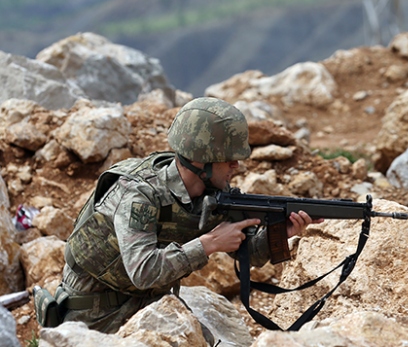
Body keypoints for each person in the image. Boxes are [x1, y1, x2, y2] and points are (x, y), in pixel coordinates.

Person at [54, 97, 320, 336]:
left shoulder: (214, 193)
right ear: (202, 161)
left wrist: (283, 230)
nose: (236, 165)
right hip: (93, 315)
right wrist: (208, 244)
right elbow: (143, 271)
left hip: (150, 303)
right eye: (228, 159)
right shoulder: (139, 194)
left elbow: (251, 253)